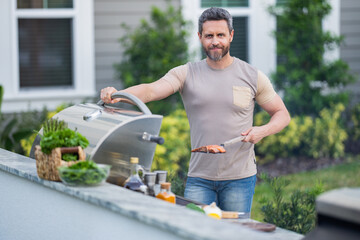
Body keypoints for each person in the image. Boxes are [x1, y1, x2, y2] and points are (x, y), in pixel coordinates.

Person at [101, 7, 290, 216]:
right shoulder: (186, 73)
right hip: (200, 178)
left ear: (231, 36)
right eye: (209, 36)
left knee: (236, 234)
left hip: (240, 178)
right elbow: (151, 89)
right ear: (200, 37)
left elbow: (282, 114)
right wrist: (118, 95)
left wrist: (262, 131)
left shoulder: (252, 76)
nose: (215, 41)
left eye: (220, 35)